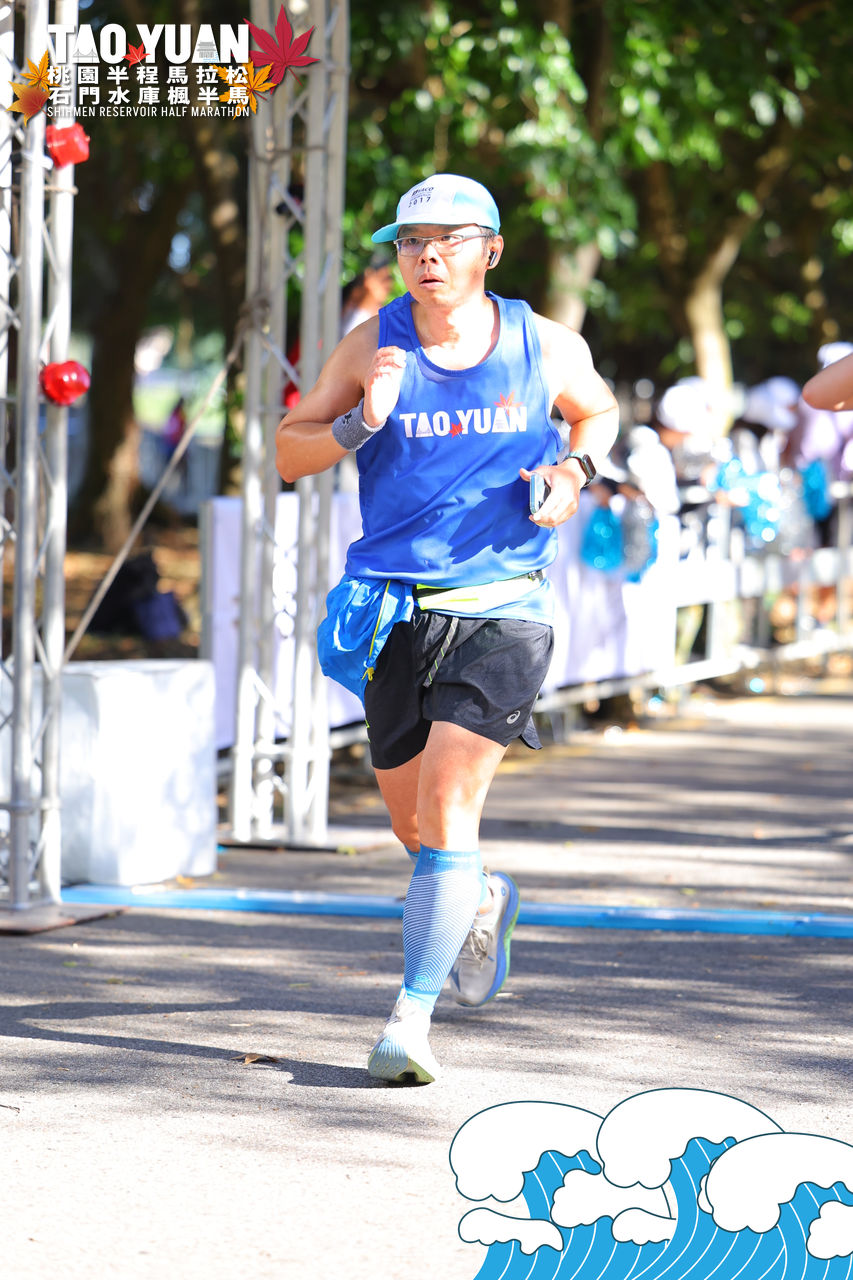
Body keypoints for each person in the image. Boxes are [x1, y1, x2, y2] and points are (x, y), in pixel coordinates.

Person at [276, 173, 618, 1085]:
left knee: (448, 806)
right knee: (412, 821)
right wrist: (360, 422)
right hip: (395, 607)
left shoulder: (544, 343)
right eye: (410, 243)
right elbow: (288, 450)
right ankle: (479, 895)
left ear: (490, 251)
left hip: (504, 606)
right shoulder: (371, 342)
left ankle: (409, 1020)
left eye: (449, 241)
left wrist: (573, 470)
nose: (426, 257)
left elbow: (596, 410)